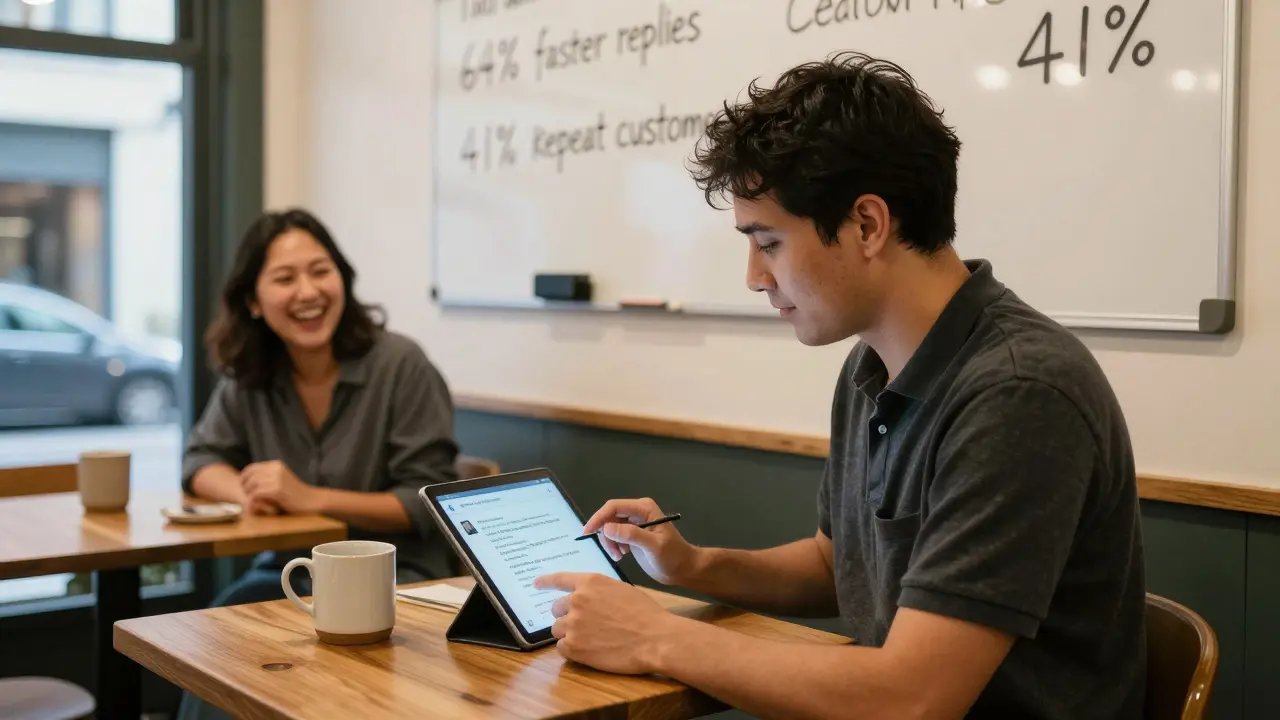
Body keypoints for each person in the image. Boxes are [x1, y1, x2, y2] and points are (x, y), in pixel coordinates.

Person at [534, 52, 1147, 719]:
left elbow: (914, 699)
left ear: (866, 225)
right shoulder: (872, 367)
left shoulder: (1020, 392)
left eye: (767, 242)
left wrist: (653, 635)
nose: (754, 276)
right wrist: (692, 567)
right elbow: (838, 566)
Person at [182, 207, 461, 604]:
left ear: (342, 280)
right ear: (253, 301)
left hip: (399, 580)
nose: (308, 292)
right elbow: (200, 460)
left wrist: (310, 497)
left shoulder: (401, 364)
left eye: (320, 271)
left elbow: (425, 502)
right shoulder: (250, 371)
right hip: (289, 573)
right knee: (204, 640)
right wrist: (250, 495)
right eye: (285, 278)